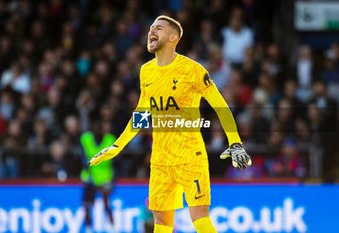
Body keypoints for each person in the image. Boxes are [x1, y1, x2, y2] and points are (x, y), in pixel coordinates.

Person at [89, 16, 251, 233]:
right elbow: (141, 114)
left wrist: (235, 142)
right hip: (160, 158)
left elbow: (222, 106)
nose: (151, 31)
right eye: (150, 27)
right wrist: (117, 146)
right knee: (162, 223)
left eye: (158, 28)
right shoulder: (146, 71)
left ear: (173, 37)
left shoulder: (192, 70)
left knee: (199, 218)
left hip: (189, 156)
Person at [80, 121, 116, 232]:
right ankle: (88, 229)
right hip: (90, 177)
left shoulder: (110, 139)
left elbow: (115, 160)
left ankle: (112, 228)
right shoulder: (86, 139)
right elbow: (82, 157)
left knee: (106, 204)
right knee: (87, 206)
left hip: (105, 178)